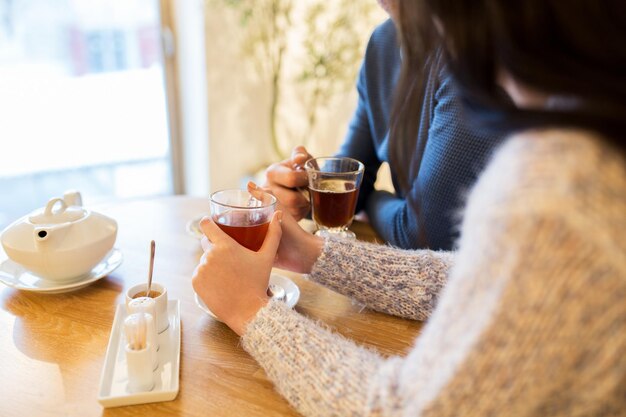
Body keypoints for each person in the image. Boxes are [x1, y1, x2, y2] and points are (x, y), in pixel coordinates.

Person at [193, 0, 626, 415]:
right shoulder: (584, 137)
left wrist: (249, 311)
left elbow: (404, 410)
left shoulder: (555, 183)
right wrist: (312, 254)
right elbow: (476, 275)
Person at [264, 1, 506, 250]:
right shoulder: (383, 43)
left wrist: (372, 200)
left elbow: (420, 235)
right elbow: (350, 178)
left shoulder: (474, 53)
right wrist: (301, 194)